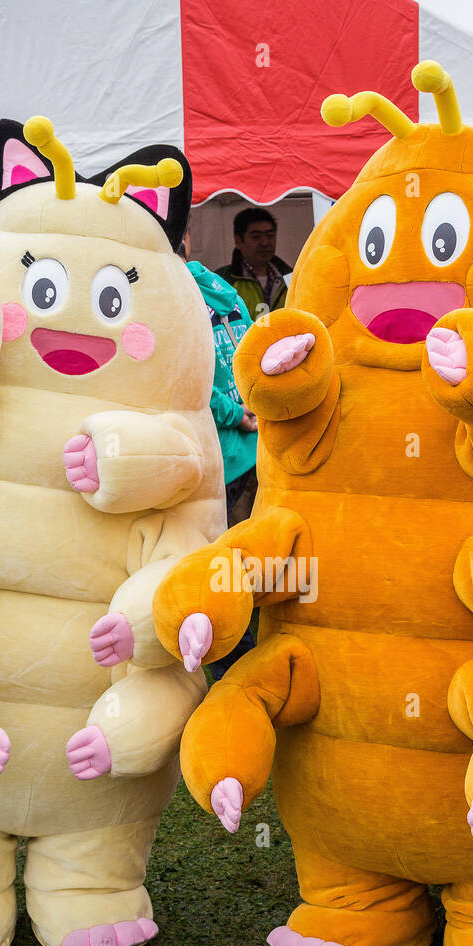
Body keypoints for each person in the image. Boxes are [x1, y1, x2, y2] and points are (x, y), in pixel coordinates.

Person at [184, 232, 258, 678]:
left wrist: (234, 414)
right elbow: (252, 355)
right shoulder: (223, 289)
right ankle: (252, 654)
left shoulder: (170, 295)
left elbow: (189, 379)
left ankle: (234, 664)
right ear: (189, 241)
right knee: (251, 561)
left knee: (218, 564)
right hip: (255, 450)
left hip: (219, 453)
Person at [217, 207, 292, 318]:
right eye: (256, 237)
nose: (265, 242)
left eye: (270, 235)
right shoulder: (222, 280)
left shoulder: (291, 278)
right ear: (238, 241)